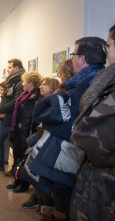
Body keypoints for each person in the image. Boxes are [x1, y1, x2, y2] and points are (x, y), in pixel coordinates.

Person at [27, 37, 107, 221]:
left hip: (70, 149)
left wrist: (48, 123)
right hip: (67, 148)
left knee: (61, 189)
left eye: (73, 55)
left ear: (82, 58)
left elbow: (71, 124)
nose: (72, 59)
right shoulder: (90, 80)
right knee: (56, 187)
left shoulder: (88, 84)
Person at [69, 24, 115, 221]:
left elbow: (89, 135)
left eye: (109, 45)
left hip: (106, 186)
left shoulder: (92, 80)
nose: (107, 53)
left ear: (82, 59)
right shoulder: (103, 79)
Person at [21, 77, 61, 213]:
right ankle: (40, 201)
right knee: (37, 175)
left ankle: (44, 203)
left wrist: (31, 141)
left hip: (46, 144)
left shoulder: (53, 105)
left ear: (53, 87)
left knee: (42, 176)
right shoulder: (44, 102)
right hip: (39, 141)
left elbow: (45, 128)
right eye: (41, 84)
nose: (41, 87)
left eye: (45, 85)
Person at [5, 71, 43, 193]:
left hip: (27, 132)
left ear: (31, 83)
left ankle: (24, 184)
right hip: (18, 131)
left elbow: (34, 119)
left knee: (24, 158)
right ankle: (17, 180)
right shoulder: (24, 95)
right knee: (17, 156)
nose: (22, 84)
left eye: (24, 82)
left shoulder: (36, 98)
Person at [0, 58, 24, 172]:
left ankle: (18, 169)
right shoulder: (11, 81)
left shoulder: (19, 82)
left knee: (15, 146)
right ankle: (0, 164)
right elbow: (7, 98)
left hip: (11, 119)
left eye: (9, 67)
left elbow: (16, 101)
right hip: (5, 118)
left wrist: (2, 109)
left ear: (16, 68)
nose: (7, 69)